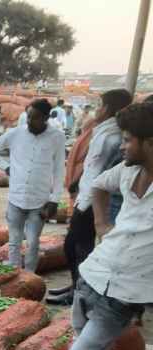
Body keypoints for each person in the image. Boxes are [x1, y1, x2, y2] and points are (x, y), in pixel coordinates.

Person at [48, 102, 153, 350]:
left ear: (149, 142)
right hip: (91, 276)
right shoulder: (125, 172)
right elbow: (96, 185)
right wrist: (100, 222)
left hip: (124, 293)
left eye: (127, 139)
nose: (122, 146)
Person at [51, 89, 132, 306]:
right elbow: (91, 168)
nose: (97, 109)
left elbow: (100, 174)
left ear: (108, 108)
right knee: (73, 245)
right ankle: (74, 285)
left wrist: (85, 203)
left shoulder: (112, 137)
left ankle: (79, 292)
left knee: (79, 248)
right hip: (85, 194)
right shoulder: (102, 132)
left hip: (91, 200)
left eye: (100, 105)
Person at [0, 99, 66, 272]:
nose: (30, 121)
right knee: (14, 240)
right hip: (16, 197)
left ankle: (29, 275)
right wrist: (6, 167)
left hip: (40, 199)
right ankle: (15, 271)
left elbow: (59, 170)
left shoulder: (57, 137)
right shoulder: (16, 133)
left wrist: (55, 199)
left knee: (33, 242)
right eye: (28, 117)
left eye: (35, 118)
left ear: (46, 117)